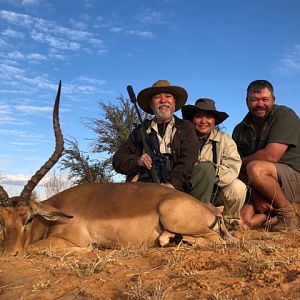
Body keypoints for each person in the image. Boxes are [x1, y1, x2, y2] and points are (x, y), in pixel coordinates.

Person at [232, 80, 300, 231]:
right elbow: (237, 170)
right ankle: (278, 211)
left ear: (273, 100)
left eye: (265, 99)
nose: (260, 104)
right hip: (260, 186)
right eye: (254, 100)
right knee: (242, 221)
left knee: (256, 168)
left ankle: (287, 215)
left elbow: (271, 156)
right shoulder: (239, 129)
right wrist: (255, 197)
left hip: (293, 177)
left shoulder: (284, 115)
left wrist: (240, 163)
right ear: (247, 101)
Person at [113, 80, 199, 192]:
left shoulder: (186, 127)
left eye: (168, 96)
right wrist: (137, 161)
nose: (163, 100)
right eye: (157, 97)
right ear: (151, 104)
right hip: (142, 187)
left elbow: (189, 158)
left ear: (174, 103)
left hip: (176, 187)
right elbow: (118, 159)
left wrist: (172, 184)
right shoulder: (140, 131)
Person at [181, 98, 247, 225]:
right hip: (186, 191)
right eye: (199, 116)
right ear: (192, 119)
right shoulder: (181, 136)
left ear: (214, 121)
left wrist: (211, 169)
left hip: (214, 192)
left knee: (238, 188)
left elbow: (233, 170)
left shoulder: (225, 140)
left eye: (209, 117)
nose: (203, 121)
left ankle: (230, 222)